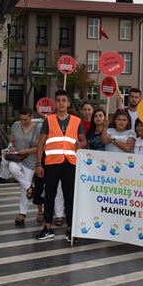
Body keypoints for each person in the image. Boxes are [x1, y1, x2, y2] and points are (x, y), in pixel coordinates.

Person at [35, 89, 86, 242]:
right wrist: (39, 164)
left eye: (64, 100)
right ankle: (48, 227)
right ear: (55, 103)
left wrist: (80, 144)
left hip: (70, 163)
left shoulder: (76, 121)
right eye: (58, 100)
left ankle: (70, 229)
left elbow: (84, 141)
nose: (61, 103)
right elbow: (41, 143)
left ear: (69, 103)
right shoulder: (48, 120)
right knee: (49, 196)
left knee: (70, 197)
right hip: (51, 163)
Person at [7, 107, 41, 225]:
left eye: (25, 119)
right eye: (21, 119)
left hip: (30, 159)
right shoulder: (16, 125)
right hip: (16, 157)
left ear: (31, 117)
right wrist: (11, 145)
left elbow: (40, 147)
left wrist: (26, 151)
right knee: (12, 168)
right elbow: (12, 139)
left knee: (23, 187)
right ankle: (29, 187)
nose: (23, 122)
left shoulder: (38, 127)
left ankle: (22, 213)